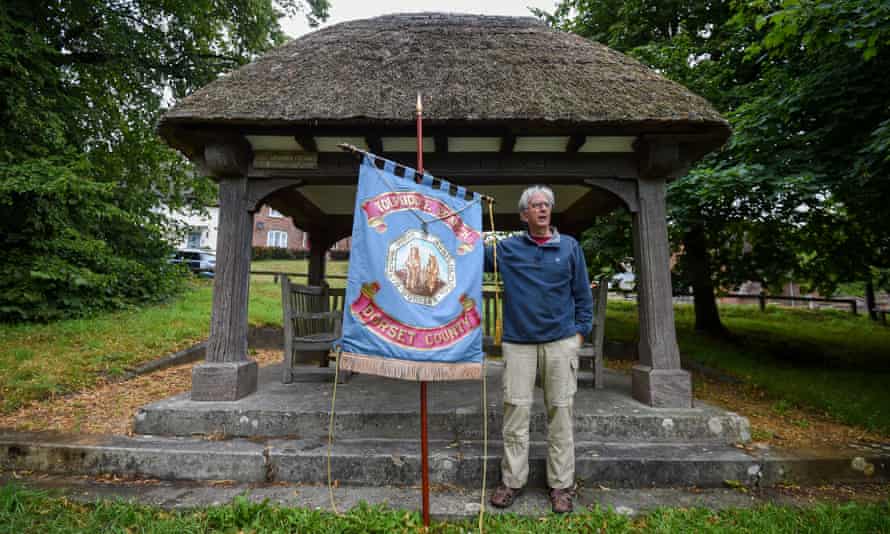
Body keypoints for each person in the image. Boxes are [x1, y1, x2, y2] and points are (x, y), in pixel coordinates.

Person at [485, 185, 593, 514]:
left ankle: (561, 485)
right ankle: (512, 481)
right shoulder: (508, 249)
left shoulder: (570, 247)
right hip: (518, 343)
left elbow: (582, 296)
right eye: (535, 205)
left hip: (560, 342)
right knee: (516, 410)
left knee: (560, 411)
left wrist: (578, 336)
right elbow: (464, 258)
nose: (543, 209)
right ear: (524, 215)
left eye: (547, 204)